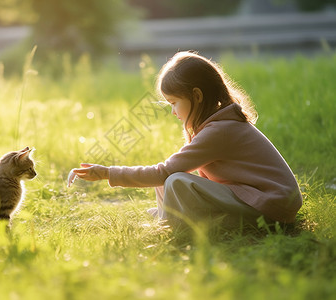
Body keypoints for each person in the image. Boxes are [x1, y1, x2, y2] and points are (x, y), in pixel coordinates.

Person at [71, 51, 302, 227]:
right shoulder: (214, 125)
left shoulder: (219, 131)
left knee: (174, 180)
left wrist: (107, 173)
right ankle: (168, 217)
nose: (173, 112)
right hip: (251, 197)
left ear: (197, 96)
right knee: (169, 180)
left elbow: (165, 172)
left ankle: (172, 222)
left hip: (272, 206)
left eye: (174, 103)